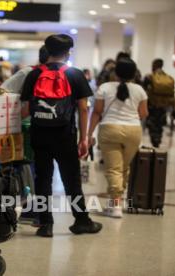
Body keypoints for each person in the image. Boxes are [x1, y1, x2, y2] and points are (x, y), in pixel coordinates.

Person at [20, 34, 102, 238]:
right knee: (71, 179)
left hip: (39, 133)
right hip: (65, 135)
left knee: (42, 179)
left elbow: (25, 110)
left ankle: (46, 224)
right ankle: (82, 221)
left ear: (47, 51)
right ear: (68, 52)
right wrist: (84, 138)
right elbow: (83, 109)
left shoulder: (34, 74)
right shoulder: (75, 74)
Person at [88, 58, 148, 218]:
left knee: (114, 169)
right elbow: (143, 114)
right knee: (123, 168)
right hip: (133, 131)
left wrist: (88, 134)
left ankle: (115, 206)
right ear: (134, 73)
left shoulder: (105, 87)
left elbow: (97, 112)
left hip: (110, 130)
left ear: (115, 72)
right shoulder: (139, 90)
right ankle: (114, 202)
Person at [143, 58, 175, 147]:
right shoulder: (168, 78)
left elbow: (143, 91)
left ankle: (155, 142)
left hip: (152, 106)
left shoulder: (149, 77)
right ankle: (157, 142)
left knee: (152, 126)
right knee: (159, 126)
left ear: (154, 66)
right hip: (163, 107)